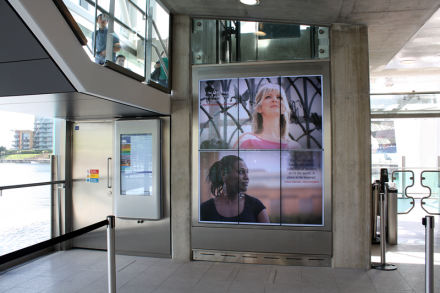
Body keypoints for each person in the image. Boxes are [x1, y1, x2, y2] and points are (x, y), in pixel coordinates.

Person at [200, 155, 270, 223]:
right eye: (241, 172)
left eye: (247, 172)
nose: (247, 177)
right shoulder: (205, 208)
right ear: (224, 175)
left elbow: (268, 234)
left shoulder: (255, 205)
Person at [233, 83, 301, 150]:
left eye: (279, 97)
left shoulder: (295, 147)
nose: (275, 100)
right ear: (259, 108)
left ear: (284, 109)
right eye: (268, 97)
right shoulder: (246, 140)